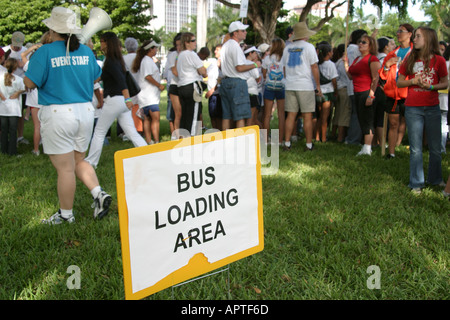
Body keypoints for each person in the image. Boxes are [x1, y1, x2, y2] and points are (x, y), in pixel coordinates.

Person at [23, 7, 112, 224]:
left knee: (64, 169)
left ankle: (66, 215)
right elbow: (94, 78)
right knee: (78, 160)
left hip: (58, 113)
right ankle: (98, 193)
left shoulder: (45, 51)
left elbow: (29, 83)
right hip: (85, 112)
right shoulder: (85, 51)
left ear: (53, 30)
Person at [397, 26, 448, 193]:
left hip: (433, 107)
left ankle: (435, 179)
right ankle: (416, 183)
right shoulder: (410, 59)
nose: (414, 39)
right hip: (413, 108)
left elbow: (445, 83)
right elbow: (400, 82)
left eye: (418, 36)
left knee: (435, 147)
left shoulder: (439, 61)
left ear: (428, 39)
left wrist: (431, 86)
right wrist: (412, 82)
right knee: (416, 148)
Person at [86, 31, 147, 168]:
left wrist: (127, 99)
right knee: (131, 132)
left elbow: (121, 82)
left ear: (107, 43)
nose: (100, 44)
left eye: (102, 41)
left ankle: (91, 162)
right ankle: (148, 154)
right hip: (120, 102)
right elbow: (103, 78)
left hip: (115, 100)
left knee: (99, 132)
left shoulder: (111, 61)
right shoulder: (114, 60)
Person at [280, 21, 321, 151]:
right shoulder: (309, 47)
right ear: (305, 34)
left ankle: (287, 143)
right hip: (305, 85)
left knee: (291, 115)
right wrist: (318, 86)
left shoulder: (287, 48)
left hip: (290, 85)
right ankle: (309, 144)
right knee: (307, 115)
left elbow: (284, 68)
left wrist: (289, 79)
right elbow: (314, 67)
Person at [379, 24, 414, 159]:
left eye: (401, 31)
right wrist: (387, 66)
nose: (398, 33)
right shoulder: (392, 54)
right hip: (393, 93)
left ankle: (414, 152)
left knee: (411, 124)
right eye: (397, 31)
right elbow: (382, 75)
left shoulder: (415, 52)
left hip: (410, 93)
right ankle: (391, 153)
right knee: (393, 123)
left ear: (410, 34)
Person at [220, 21, 260, 130]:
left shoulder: (225, 45)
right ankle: (240, 144)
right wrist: (255, 65)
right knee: (240, 117)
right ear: (235, 33)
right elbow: (239, 67)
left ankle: (226, 144)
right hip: (237, 83)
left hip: (225, 82)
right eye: (243, 30)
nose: (245, 32)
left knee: (226, 116)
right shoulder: (234, 46)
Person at [346, 35, 381, 156]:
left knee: (368, 119)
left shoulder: (373, 59)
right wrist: (346, 65)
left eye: (364, 42)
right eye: (360, 42)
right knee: (361, 118)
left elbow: (375, 78)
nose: (360, 44)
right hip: (356, 92)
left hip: (366, 91)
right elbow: (350, 76)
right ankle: (365, 145)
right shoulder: (357, 59)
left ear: (371, 45)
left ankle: (367, 148)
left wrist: (371, 95)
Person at [132, 40, 164, 144]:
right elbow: (147, 76)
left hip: (147, 96)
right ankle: (155, 141)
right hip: (149, 97)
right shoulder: (146, 61)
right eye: (155, 48)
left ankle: (149, 141)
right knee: (155, 118)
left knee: (147, 119)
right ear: (150, 49)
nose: (156, 50)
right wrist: (159, 85)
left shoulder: (146, 60)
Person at [176, 32, 207, 136]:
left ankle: (183, 137)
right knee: (194, 115)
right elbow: (203, 72)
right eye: (193, 41)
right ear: (186, 43)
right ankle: (192, 139)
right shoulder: (191, 54)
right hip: (192, 86)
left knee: (185, 115)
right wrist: (203, 72)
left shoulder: (180, 55)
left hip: (182, 86)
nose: (195, 43)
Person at [3, 31, 29, 146]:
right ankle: (5, 136)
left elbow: (29, 67)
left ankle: (19, 136)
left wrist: (23, 65)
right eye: (14, 45)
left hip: (21, 85)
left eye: (18, 46)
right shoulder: (5, 50)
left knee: (19, 113)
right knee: (4, 113)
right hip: (5, 86)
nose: (16, 47)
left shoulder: (25, 51)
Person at [344, 29, 367, 145]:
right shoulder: (355, 49)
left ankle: (352, 137)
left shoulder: (348, 49)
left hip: (352, 86)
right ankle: (354, 139)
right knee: (357, 114)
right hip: (356, 86)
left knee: (355, 113)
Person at [262, 38, 285, 144]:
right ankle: (279, 140)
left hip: (269, 87)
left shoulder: (267, 58)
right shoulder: (284, 58)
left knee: (267, 115)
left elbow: (263, 73)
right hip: (282, 87)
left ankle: (266, 140)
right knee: (281, 114)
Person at [0, 58, 26, 156]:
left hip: (2, 107)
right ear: (15, 68)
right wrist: (18, 92)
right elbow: (25, 88)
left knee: (4, 129)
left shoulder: (1, 77)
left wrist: (2, 96)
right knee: (12, 130)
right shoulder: (18, 79)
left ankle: (4, 150)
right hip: (13, 108)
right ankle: (12, 151)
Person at [316, 43, 338, 143]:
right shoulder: (331, 64)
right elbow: (334, 80)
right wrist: (336, 91)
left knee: (319, 116)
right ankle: (324, 137)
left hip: (318, 91)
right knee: (325, 117)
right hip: (328, 91)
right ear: (329, 53)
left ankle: (316, 136)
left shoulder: (317, 64)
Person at [123, 37, 143, 135]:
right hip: (139, 87)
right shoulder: (140, 58)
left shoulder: (123, 58)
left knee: (128, 111)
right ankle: (138, 129)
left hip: (127, 88)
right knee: (137, 109)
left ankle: (127, 131)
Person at [332, 44, 352, 142]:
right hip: (344, 89)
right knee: (344, 114)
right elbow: (348, 76)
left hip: (338, 89)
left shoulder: (337, 62)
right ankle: (340, 137)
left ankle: (332, 133)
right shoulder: (343, 63)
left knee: (338, 113)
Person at [166, 33, 182, 138]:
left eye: (180, 44)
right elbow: (175, 72)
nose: (178, 47)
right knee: (177, 113)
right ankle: (175, 135)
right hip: (175, 86)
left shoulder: (190, 54)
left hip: (186, 86)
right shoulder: (173, 55)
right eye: (177, 45)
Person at [205, 44, 223, 131]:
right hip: (212, 93)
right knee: (212, 116)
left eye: (218, 50)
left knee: (219, 116)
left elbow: (221, 79)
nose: (215, 51)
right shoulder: (213, 63)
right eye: (215, 49)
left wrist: (212, 90)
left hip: (217, 93)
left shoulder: (224, 63)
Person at [244, 46, 262, 126]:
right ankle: (263, 137)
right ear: (250, 53)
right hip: (252, 93)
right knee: (252, 120)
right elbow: (257, 78)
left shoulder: (241, 63)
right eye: (255, 53)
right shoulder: (252, 64)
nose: (256, 55)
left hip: (242, 93)